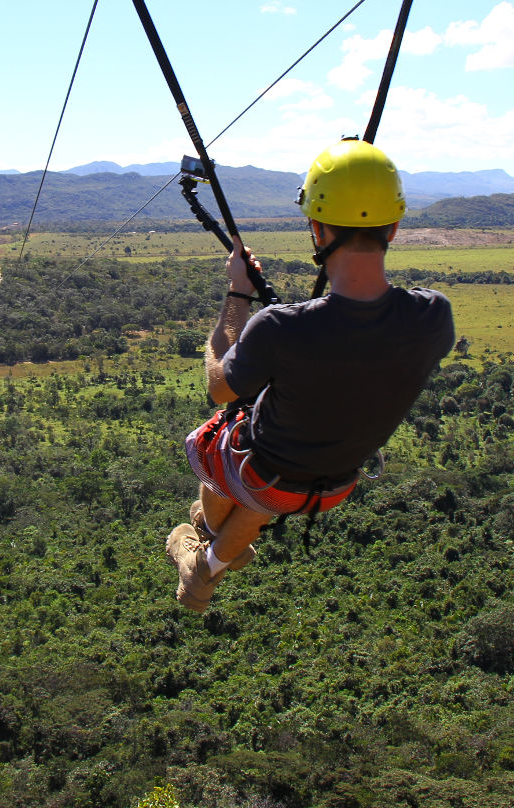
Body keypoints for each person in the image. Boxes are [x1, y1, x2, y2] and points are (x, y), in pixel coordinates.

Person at [166, 137, 456, 611]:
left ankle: (206, 544)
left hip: (264, 476)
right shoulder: (433, 317)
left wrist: (238, 293)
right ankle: (212, 566)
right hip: (335, 484)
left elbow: (219, 384)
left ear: (316, 231)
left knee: (219, 435)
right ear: (396, 228)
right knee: (266, 487)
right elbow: (357, 347)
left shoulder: (282, 328)